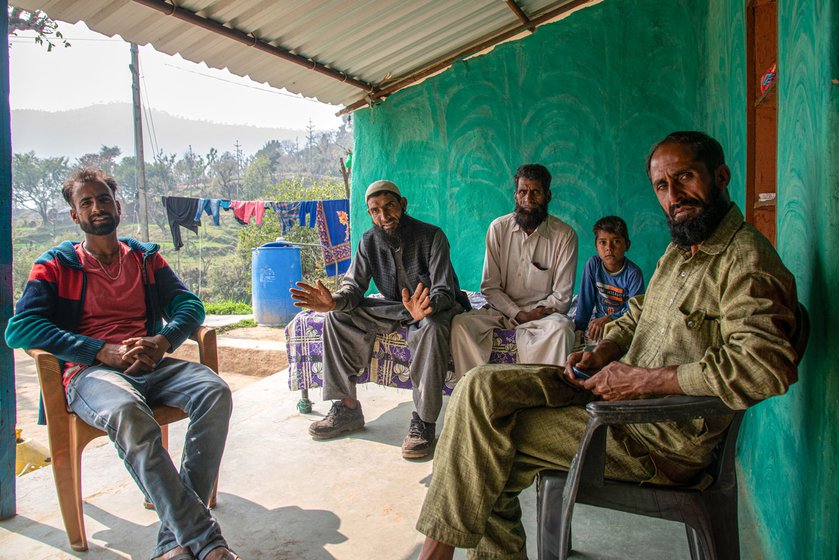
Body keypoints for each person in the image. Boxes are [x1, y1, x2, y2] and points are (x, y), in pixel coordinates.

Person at [415, 131, 800, 559]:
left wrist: (644, 381)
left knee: (485, 446)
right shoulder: (681, 252)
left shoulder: (746, 260)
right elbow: (636, 314)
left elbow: (766, 366)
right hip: (608, 390)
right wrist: (605, 349)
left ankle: (436, 552)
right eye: (661, 185)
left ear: (721, 176)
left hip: (652, 436)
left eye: (685, 177)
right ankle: (442, 547)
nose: (673, 195)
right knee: (477, 387)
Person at [5, 168, 240, 560]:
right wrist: (98, 350)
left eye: (103, 199)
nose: (96, 207)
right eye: (86, 202)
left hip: (152, 363)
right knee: (130, 412)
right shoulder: (55, 264)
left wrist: (162, 341)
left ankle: (173, 540)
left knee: (214, 391)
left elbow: (189, 305)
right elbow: (21, 328)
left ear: (118, 205)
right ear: (74, 216)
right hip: (91, 373)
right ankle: (207, 541)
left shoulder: (145, 259)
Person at [290, 180, 469, 459]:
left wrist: (427, 307)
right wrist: (333, 302)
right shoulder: (369, 241)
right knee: (337, 318)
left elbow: (445, 290)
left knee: (431, 329)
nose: (384, 217)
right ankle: (347, 408)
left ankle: (424, 421)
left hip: (431, 310)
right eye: (375, 211)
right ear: (370, 213)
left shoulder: (432, 236)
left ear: (403, 205)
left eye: (390, 207)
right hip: (395, 309)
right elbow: (353, 288)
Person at [449, 164, 578, 375]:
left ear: (548, 196)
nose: (529, 198)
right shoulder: (498, 229)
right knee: (461, 325)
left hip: (543, 316)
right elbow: (490, 287)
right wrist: (517, 313)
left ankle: (541, 398)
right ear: (515, 195)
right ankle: (478, 392)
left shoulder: (565, 236)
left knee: (562, 330)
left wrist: (531, 315)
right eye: (523, 192)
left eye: (536, 192)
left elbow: (562, 298)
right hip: (501, 311)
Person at [573, 215, 645, 342]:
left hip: (621, 323)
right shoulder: (593, 265)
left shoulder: (633, 273)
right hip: (597, 322)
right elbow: (585, 303)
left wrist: (610, 318)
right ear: (596, 246)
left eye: (616, 241)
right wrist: (578, 331)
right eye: (603, 242)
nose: (609, 248)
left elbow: (634, 312)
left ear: (627, 245)